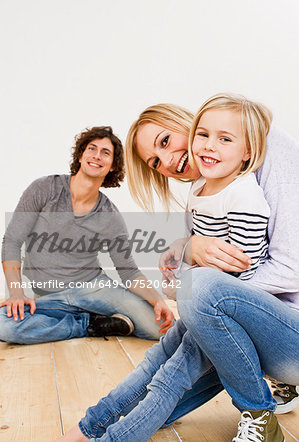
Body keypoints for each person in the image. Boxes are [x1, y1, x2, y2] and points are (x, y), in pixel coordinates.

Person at [57, 95, 299, 442]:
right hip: (248, 331)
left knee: (195, 312)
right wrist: (188, 249)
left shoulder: (266, 147)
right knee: (167, 368)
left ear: (190, 121)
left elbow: (289, 269)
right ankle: (90, 426)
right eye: (156, 161)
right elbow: (187, 281)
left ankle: (259, 412)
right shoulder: (202, 191)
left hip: (289, 333)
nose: (169, 161)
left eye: (167, 141)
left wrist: (204, 296)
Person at [0, 126, 174, 344]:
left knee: (163, 330)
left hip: (95, 288)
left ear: (112, 167)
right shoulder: (44, 189)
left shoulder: (110, 215)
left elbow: (128, 271)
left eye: (106, 153)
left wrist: (157, 300)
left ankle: (88, 319)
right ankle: (90, 324)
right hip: (48, 296)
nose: (97, 156)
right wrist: (16, 292)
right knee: (4, 326)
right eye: (92, 148)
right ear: (81, 155)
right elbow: (12, 241)